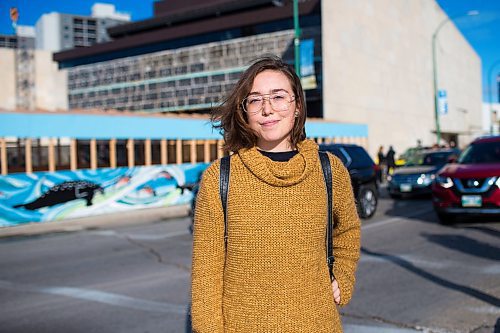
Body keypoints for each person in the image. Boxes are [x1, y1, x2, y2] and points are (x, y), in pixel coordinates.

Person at [191, 56, 361, 333]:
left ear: (297, 106)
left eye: (278, 97)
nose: (267, 109)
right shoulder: (220, 178)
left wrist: (342, 275)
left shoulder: (329, 170)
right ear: (244, 111)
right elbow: (206, 273)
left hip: (318, 323)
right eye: (255, 100)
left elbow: (348, 230)